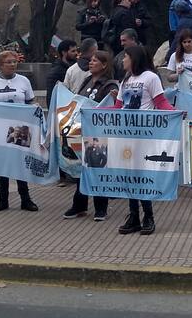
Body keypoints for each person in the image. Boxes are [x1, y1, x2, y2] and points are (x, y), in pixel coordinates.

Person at [113, 45, 173, 235]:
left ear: (134, 58)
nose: (123, 60)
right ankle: (133, 216)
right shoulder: (126, 80)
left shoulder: (151, 78)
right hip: (126, 136)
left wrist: (176, 113)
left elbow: (161, 102)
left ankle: (148, 216)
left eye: (126, 57)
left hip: (144, 136)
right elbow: (118, 107)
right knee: (130, 177)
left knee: (141, 176)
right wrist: (93, 114)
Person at [0, 50, 40, 213]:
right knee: (2, 163)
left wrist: (34, 107)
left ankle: (25, 199)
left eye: (15, 61)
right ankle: (3, 199)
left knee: (20, 162)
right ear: (0, 65)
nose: (13, 64)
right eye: (9, 62)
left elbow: (30, 101)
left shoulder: (24, 81)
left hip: (20, 128)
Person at [63, 50, 119, 221]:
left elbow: (114, 107)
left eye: (95, 61)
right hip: (82, 131)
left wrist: (115, 98)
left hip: (99, 133)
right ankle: (79, 205)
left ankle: (101, 208)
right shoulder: (87, 80)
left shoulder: (110, 85)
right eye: (91, 60)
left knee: (97, 169)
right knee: (82, 170)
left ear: (104, 64)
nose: (91, 63)